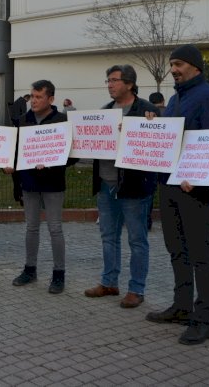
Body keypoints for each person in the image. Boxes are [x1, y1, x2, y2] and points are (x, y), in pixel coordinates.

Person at [145, 44, 209, 345]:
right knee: (176, 249)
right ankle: (181, 306)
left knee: (199, 255)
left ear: (195, 66)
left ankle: (203, 319)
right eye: (172, 64)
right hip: (169, 185)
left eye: (179, 64)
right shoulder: (174, 99)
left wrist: (200, 181)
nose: (173, 70)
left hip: (195, 191)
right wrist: (153, 128)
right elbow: (173, 139)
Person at [83, 65, 159, 308]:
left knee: (137, 239)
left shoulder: (147, 111)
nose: (110, 84)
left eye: (114, 80)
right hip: (106, 184)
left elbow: (159, 144)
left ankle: (136, 289)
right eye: (108, 80)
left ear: (129, 84)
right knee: (108, 236)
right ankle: (109, 282)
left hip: (134, 187)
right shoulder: (105, 111)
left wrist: (149, 126)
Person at [6, 80, 74, 294]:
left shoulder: (62, 121)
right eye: (32, 97)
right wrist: (9, 165)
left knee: (55, 228)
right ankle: (30, 269)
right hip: (29, 182)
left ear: (50, 99)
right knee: (31, 227)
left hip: (53, 184)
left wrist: (52, 161)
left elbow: (73, 155)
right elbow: (14, 151)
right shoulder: (22, 121)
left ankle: (58, 274)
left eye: (38, 97)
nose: (33, 101)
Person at [147, 92, 166, 231]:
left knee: (150, 193)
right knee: (166, 191)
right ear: (163, 100)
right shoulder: (171, 112)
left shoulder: (148, 115)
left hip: (152, 159)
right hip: (168, 158)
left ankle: (147, 221)